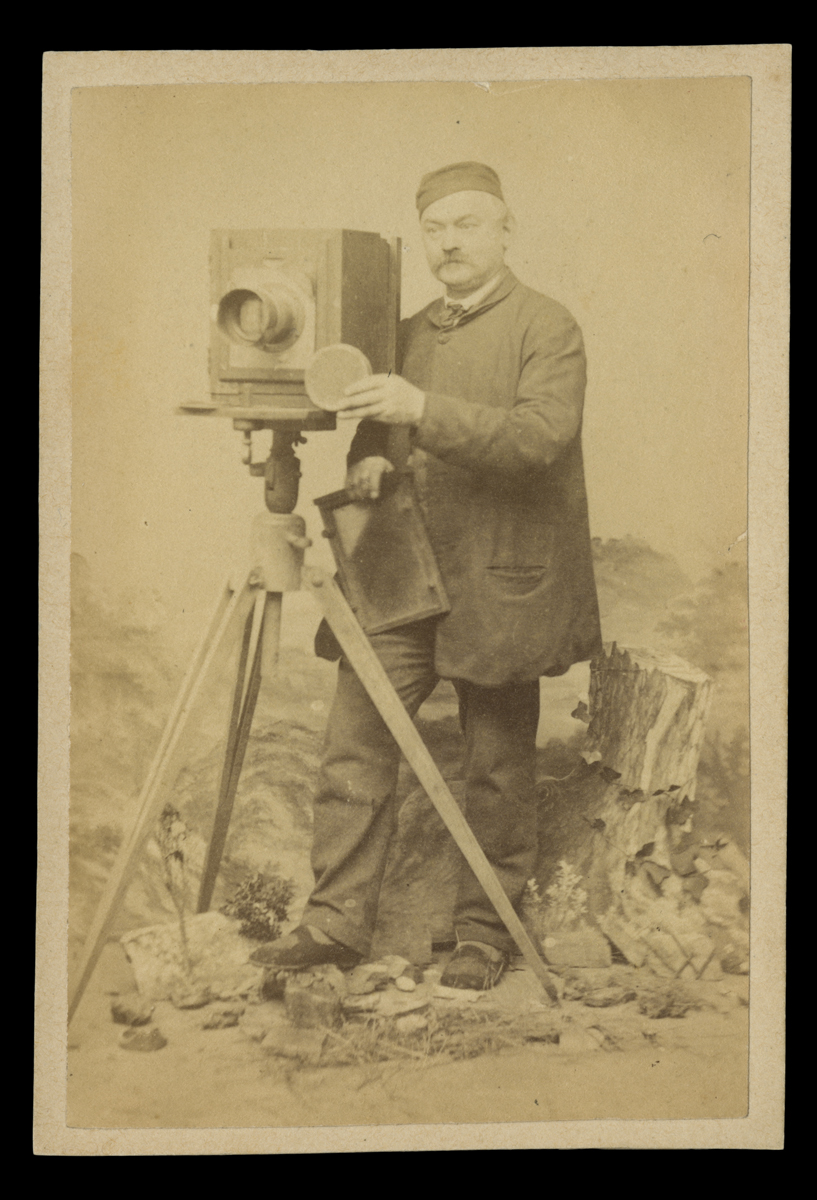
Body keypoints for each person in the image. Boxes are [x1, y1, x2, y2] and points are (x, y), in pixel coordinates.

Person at [252, 162, 602, 989]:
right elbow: (380, 429)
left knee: (496, 765)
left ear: (505, 229)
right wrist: (373, 459)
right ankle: (335, 924)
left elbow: (536, 441)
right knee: (353, 749)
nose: (449, 243)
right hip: (400, 573)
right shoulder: (405, 331)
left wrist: (418, 412)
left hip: (502, 577)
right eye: (436, 228)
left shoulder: (547, 327)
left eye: (467, 225)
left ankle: (485, 933)